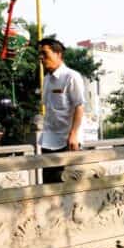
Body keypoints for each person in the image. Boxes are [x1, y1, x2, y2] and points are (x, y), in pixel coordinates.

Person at [38, 38, 86, 183]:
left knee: (66, 186)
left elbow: (79, 106)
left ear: (58, 54)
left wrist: (74, 135)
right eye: (40, 54)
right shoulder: (46, 79)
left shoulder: (71, 76)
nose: (41, 58)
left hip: (67, 141)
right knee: (48, 185)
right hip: (47, 141)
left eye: (45, 53)